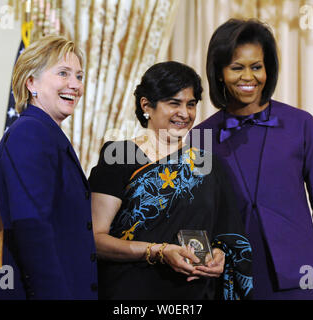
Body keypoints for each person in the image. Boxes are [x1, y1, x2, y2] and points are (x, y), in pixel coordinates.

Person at [192, 19, 313, 300]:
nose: (248, 77)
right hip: (232, 281)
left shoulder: (301, 124)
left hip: (302, 278)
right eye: (237, 67)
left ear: (268, 69)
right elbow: (195, 214)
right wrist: (203, 264)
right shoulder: (200, 137)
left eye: (256, 67)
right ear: (220, 73)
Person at [89, 61, 252, 300]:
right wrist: (159, 252)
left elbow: (228, 238)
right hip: (132, 294)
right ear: (147, 105)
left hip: (195, 295)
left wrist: (219, 256)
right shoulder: (118, 157)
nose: (184, 114)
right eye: (173, 103)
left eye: (191, 104)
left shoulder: (209, 165)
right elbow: (95, 239)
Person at [0, 35, 98, 299]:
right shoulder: (30, 134)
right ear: (31, 82)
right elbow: (31, 225)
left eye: (79, 76)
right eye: (63, 73)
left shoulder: (46, 134)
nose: (75, 85)